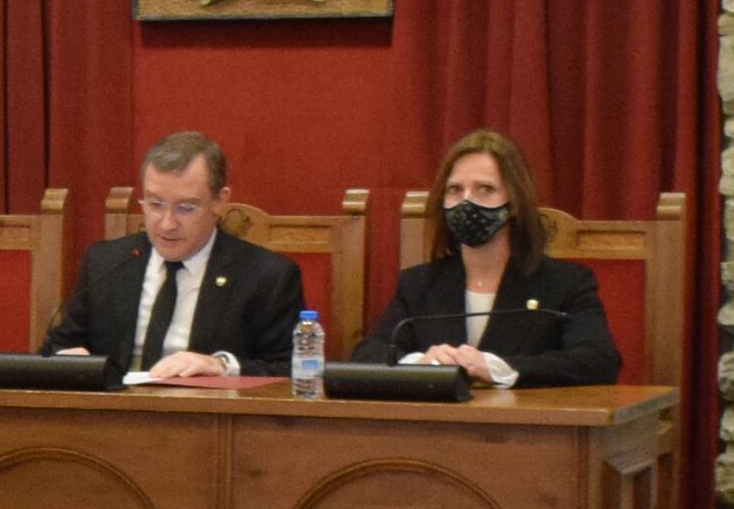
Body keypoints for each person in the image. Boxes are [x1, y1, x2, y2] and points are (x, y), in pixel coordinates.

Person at [38, 129, 304, 381]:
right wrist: (65, 356)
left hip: (209, 421)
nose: (166, 224)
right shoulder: (106, 262)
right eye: (155, 204)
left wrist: (222, 366)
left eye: (186, 208)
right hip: (113, 418)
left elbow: (292, 368)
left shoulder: (267, 276)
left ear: (219, 201)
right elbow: (59, 343)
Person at [360, 130, 623, 385]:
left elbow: (598, 361)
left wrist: (498, 369)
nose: (466, 202)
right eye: (454, 189)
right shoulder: (418, 284)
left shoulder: (566, 283)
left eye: (484, 189)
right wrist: (419, 364)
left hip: (524, 426)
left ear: (515, 203)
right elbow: (367, 355)